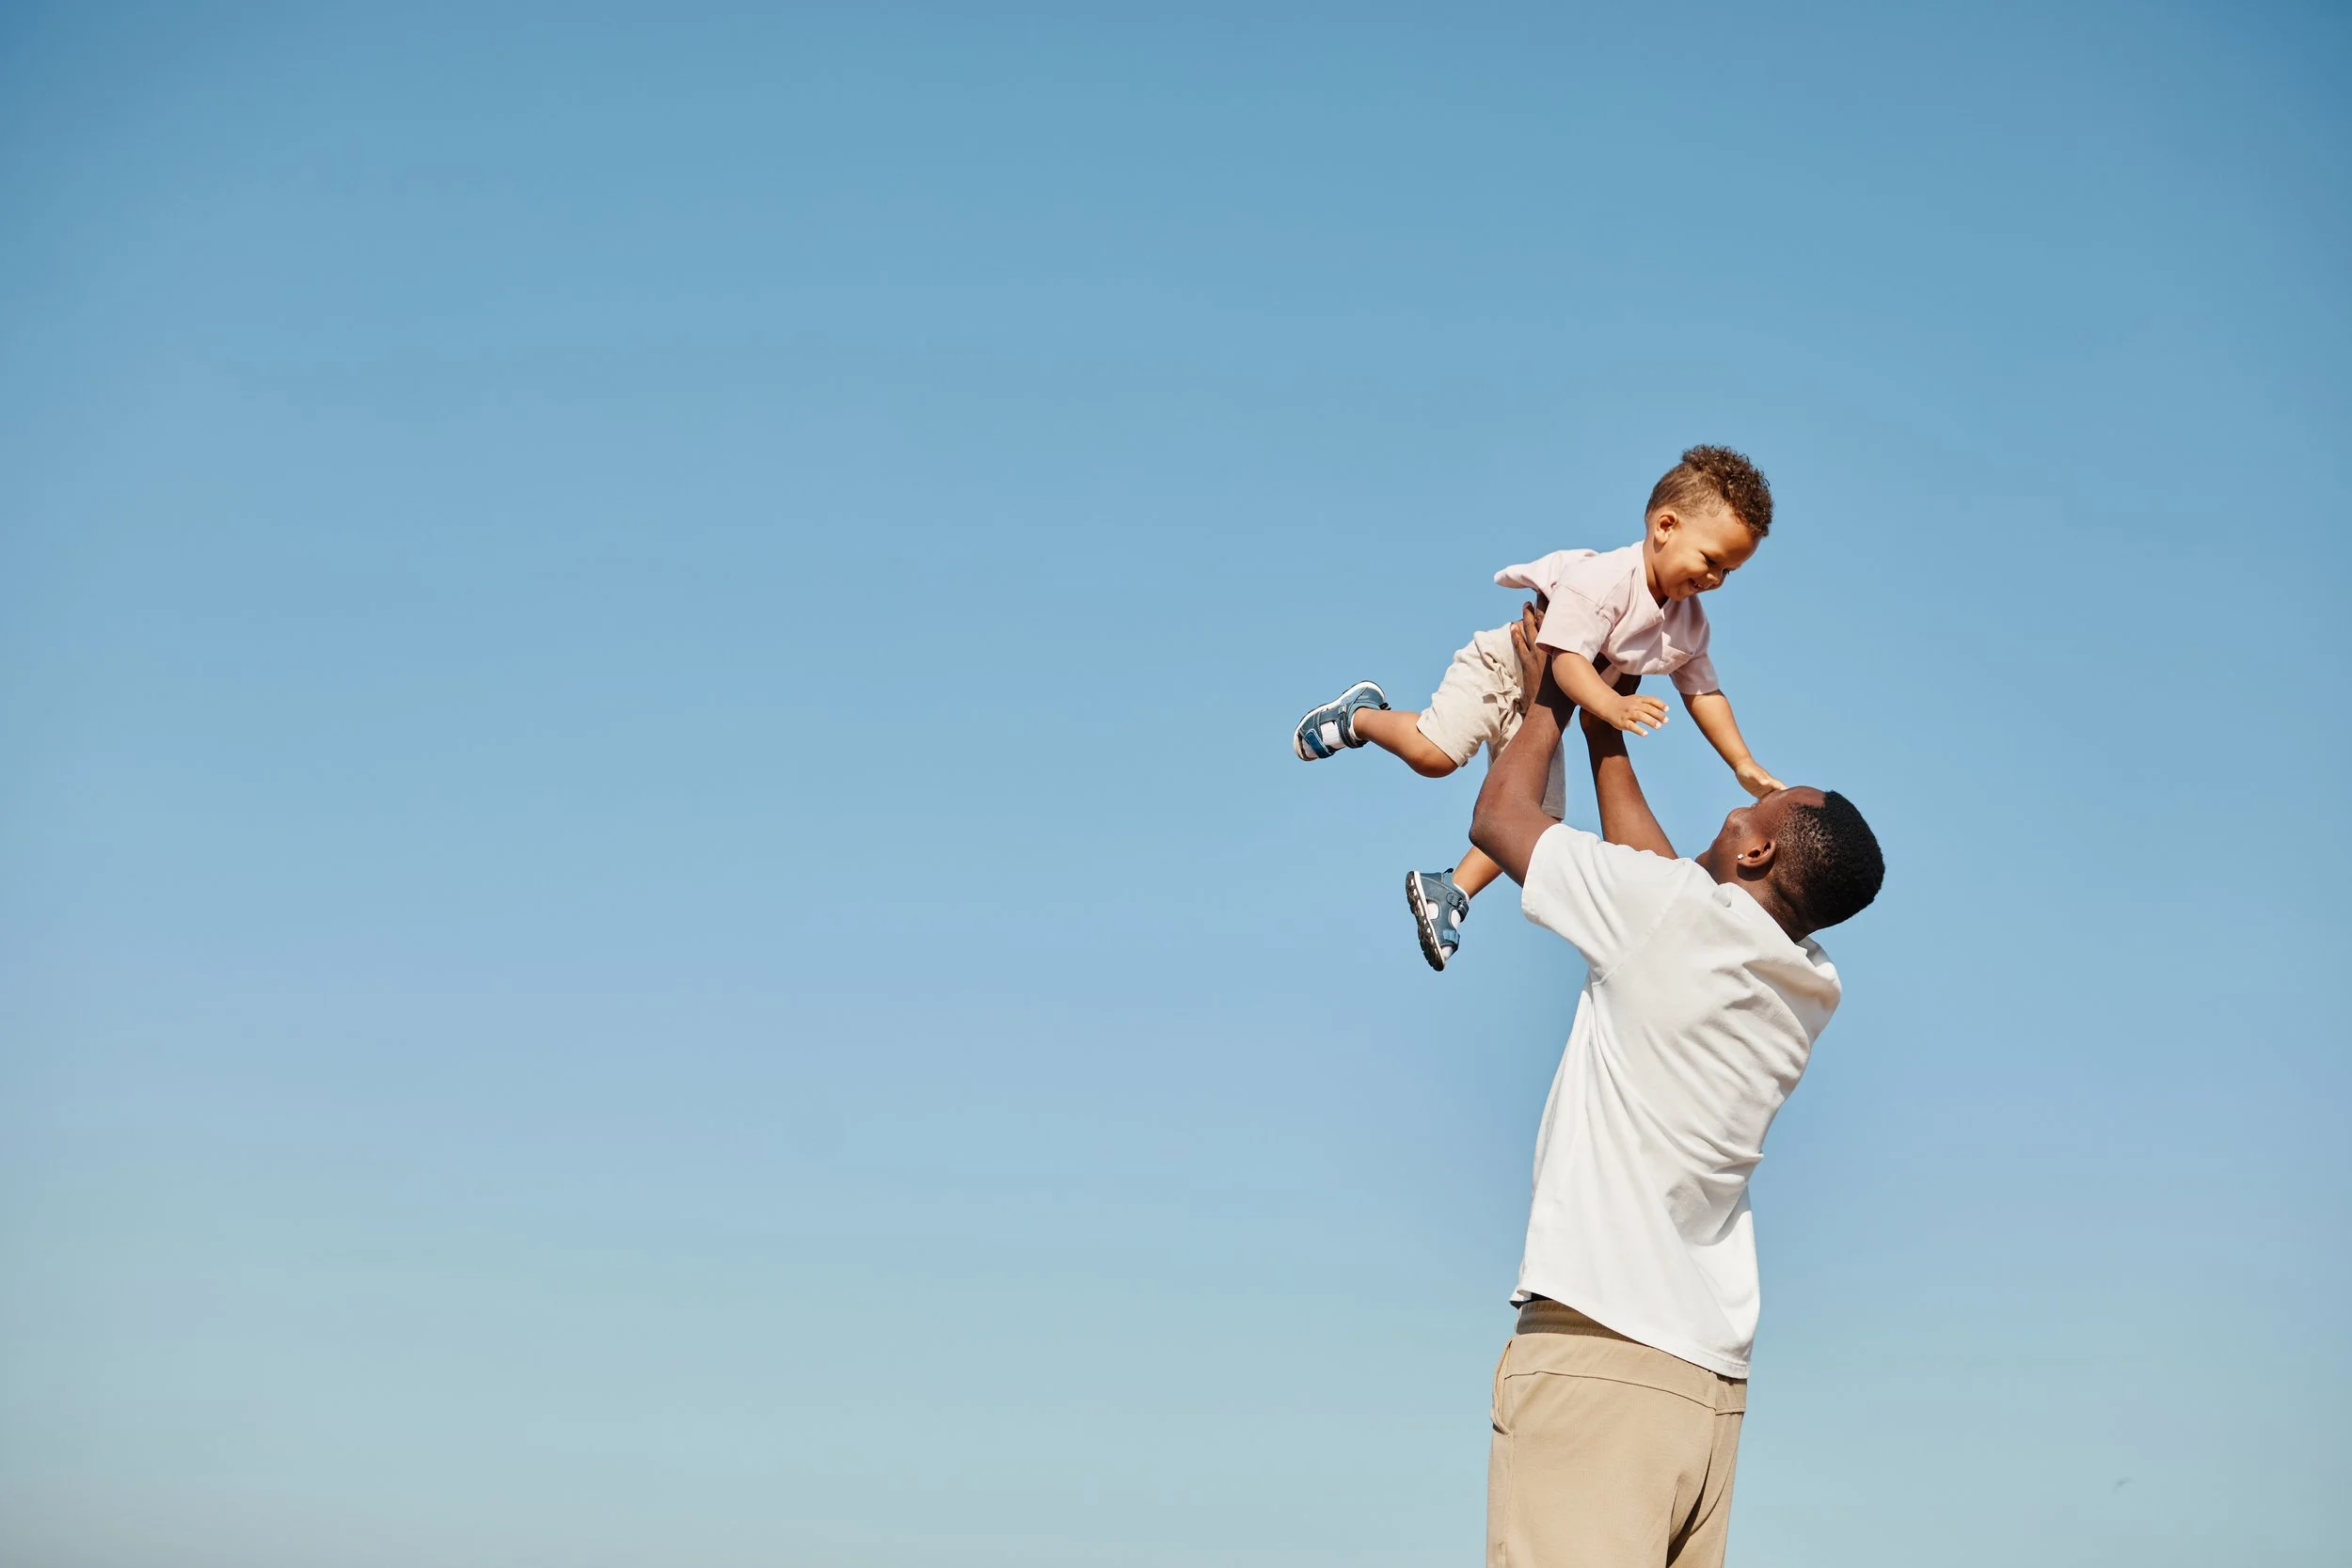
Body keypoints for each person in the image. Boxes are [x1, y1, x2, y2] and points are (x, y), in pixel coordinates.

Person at [1467, 609, 1883, 1568]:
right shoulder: (1803, 983)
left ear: (1755, 854)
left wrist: (1549, 691)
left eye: (1749, 813)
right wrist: (1608, 714)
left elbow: (1500, 820)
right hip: (1703, 1390)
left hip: (1600, 1359)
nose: (1735, 811)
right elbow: (1662, 885)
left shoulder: (1673, 921)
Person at [1290, 446, 1783, 974]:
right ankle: (1359, 715)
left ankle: (1450, 889)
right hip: (1505, 669)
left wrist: (1741, 761)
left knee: (1538, 815)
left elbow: (1703, 692)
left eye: (1727, 572)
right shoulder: (1607, 582)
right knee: (1434, 756)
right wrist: (1611, 706)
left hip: (1557, 701)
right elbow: (1566, 665)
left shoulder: (1688, 623)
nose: (1713, 580)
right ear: (1665, 526)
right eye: (1711, 561)